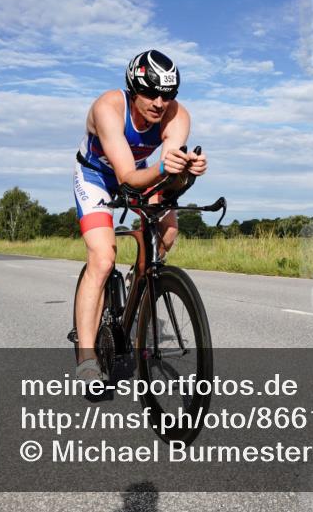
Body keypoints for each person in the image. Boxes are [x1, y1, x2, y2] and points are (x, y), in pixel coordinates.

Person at [71, 49, 207, 381]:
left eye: (168, 95)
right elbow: (127, 178)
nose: (159, 103)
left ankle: (139, 282)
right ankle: (87, 358)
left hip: (141, 172)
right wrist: (164, 166)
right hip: (96, 176)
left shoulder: (178, 116)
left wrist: (186, 171)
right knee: (103, 259)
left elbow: (165, 174)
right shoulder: (108, 107)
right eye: (150, 93)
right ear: (133, 89)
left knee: (170, 230)